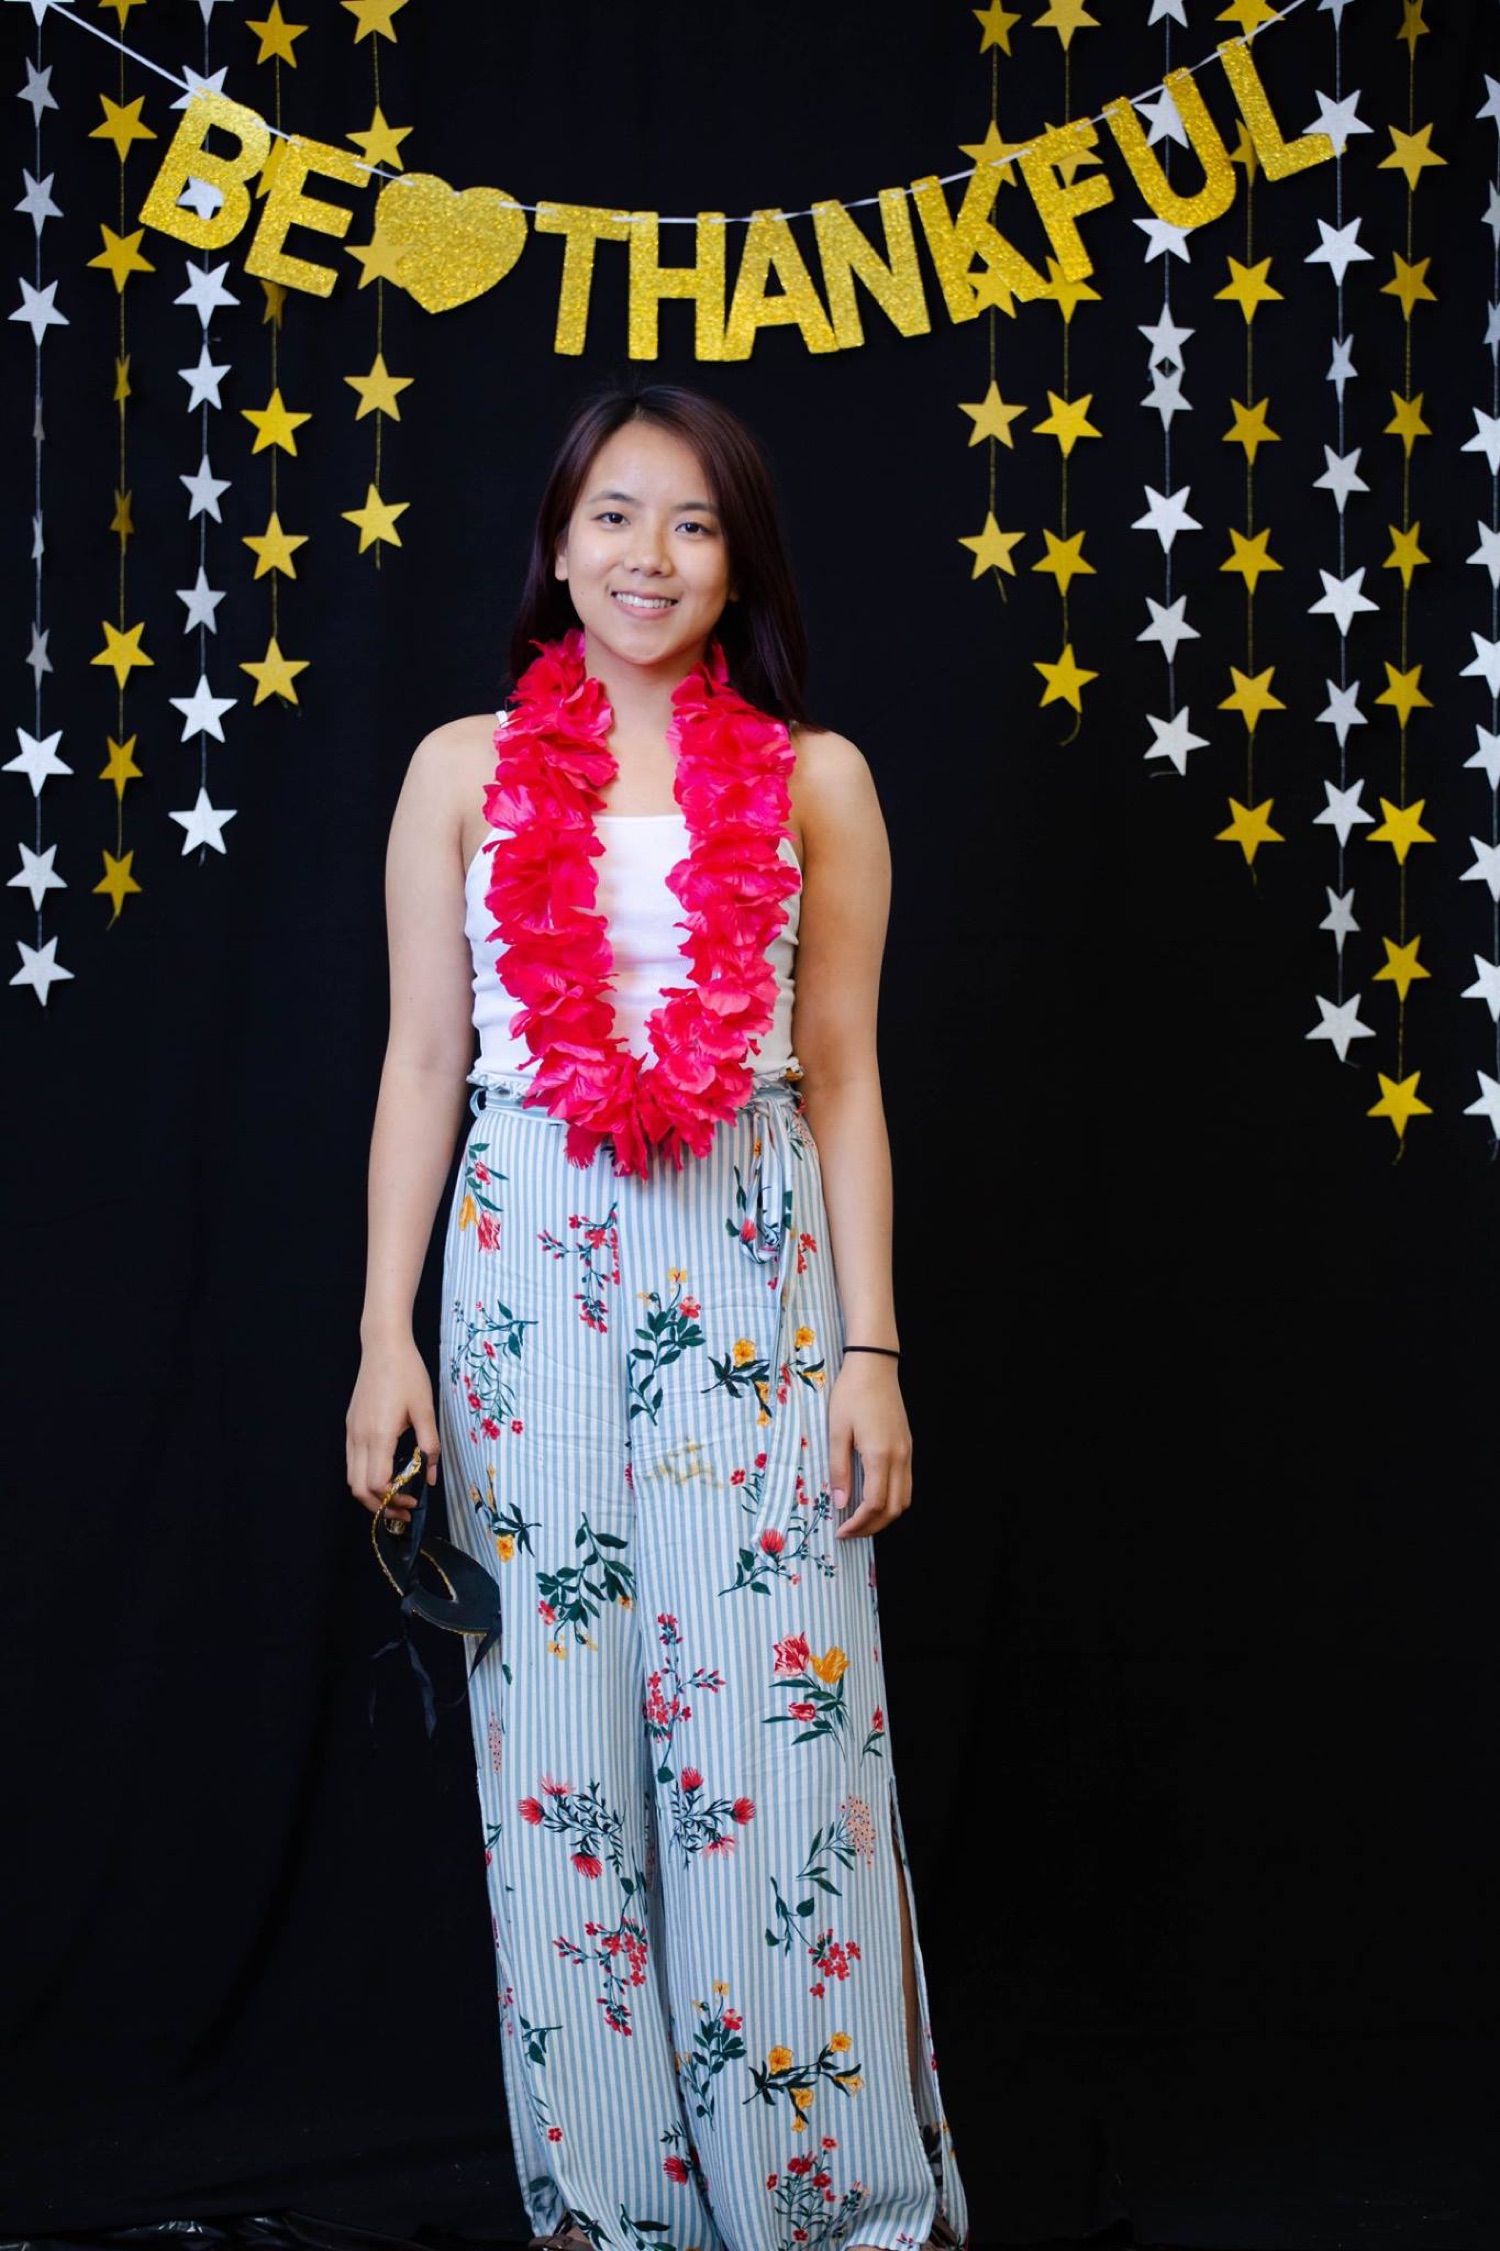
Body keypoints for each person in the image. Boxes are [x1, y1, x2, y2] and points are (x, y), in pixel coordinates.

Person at [346, 382, 969, 2251]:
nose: (649, 556)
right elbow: (425, 1063)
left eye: (693, 525)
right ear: (557, 544)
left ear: (738, 564)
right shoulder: (461, 769)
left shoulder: (815, 777)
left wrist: (873, 1354)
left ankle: (828, 2215)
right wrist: (385, 1339)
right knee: (556, 1760)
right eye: (615, 516)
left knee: (778, 1745)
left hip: (752, 1263)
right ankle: (612, 2216)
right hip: (522, 1270)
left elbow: (843, 1079)